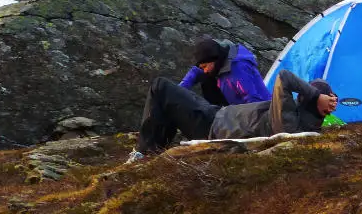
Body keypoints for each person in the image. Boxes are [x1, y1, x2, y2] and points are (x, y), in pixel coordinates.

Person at [127, 69, 338, 162]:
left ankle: (144, 154)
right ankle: (153, 149)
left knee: (160, 87)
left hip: (211, 126)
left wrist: (315, 94)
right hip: (217, 114)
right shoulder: (302, 121)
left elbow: (284, 77)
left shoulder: (289, 121)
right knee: (168, 103)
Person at [179, 38, 271, 106]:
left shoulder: (238, 68)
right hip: (230, 98)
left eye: (205, 66)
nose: (205, 70)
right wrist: (177, 91)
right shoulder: (217, 52)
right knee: (205, 77)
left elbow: (253, 100)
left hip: (258, 106)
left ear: (215, 60)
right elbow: (195, 71)